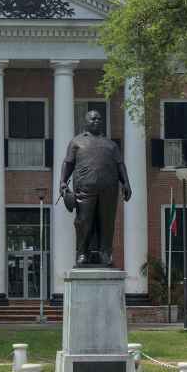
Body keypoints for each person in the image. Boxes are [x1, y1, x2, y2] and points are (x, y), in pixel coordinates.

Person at [60, 110, 132, 267]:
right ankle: (82, 253)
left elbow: (120, 165)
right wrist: (63, 182)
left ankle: (105, 253)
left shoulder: (111, 144)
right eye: (93, 119)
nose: (96, 121)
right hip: (84, 188)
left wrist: (126, 183)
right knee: (83, 221)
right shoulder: (76, 142)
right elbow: (68, 163)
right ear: (85, 122)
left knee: (107, 223)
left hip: (109, 189)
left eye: (99, 119)